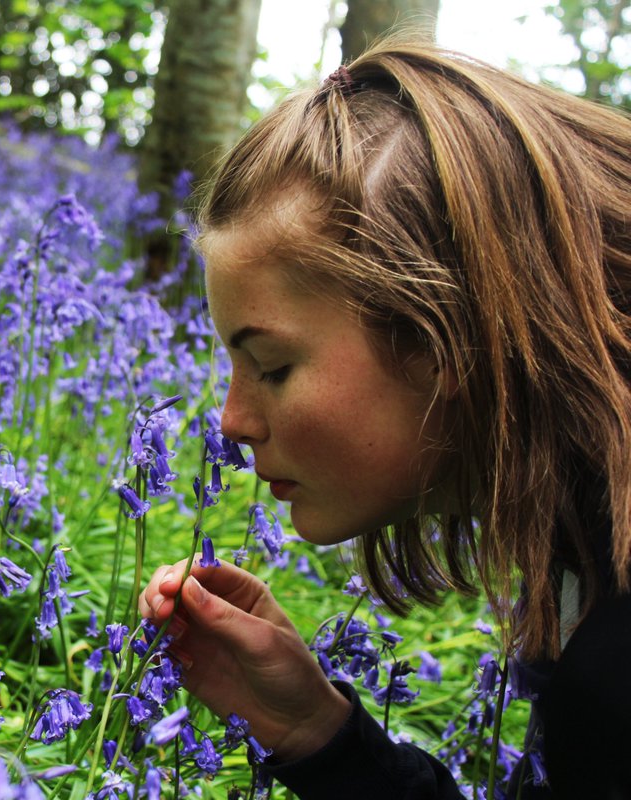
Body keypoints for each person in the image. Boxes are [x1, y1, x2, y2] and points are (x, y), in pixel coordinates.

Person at [139, 41, 631, 799]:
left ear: (444, 342)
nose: (231, 423)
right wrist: (316, 733)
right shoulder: (585, 558)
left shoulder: (614, 661)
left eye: (272, 366)